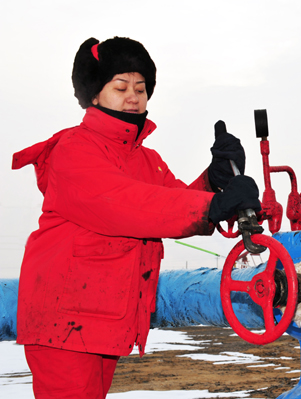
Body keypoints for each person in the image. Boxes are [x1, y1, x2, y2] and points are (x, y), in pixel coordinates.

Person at [11, 36, 261, 398]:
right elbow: (125, 204)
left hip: (98, 316)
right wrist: (210, 207)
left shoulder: (145, 159)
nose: (134, 96)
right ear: (95, 94)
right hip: (63, 318)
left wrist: (214, 181)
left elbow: (170, 202)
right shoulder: (74, 150)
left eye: (141, 88)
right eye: (121, 86)